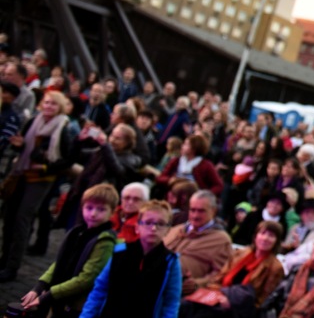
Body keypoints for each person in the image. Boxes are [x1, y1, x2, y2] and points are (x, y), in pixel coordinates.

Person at [0, 89, 74, 282]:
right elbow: (23, 145)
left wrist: (44, 165)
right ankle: (3, 258)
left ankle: (12, 266)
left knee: (22, 219)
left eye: (53, 104)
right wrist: (18, 145)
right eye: (47, 102)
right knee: (9, 217)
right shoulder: (33, 121)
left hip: (41, 179)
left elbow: (67, 161)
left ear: (60, 108)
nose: (49, 106)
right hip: (20, 173)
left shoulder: (62, 128)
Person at [19, 183, 119, 315]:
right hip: (60, 296)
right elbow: (60, 262)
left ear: (112, 212)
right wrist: (40, 286)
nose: (93, 214)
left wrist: (49, 294)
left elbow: (86, 279)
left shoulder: (105, 241)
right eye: (89, 208)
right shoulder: (78, 231)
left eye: (101, 209)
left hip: (76, 305)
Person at [80, 199, 182, 318]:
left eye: (160, 224)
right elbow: (100, 289)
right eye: (148, 222)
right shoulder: (120, 252)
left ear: (168, 230)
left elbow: (171, 302)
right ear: (138, 226)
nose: (153, 228)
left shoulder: (170, 260)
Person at [180, 220, 285, 317]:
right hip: (220, 294)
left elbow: (263, 301)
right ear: (256, 236)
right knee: (185, 305)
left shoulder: (275, 268)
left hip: (240, 308)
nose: (265, 238)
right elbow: (219, 277)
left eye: (271, 236)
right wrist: (215, 293)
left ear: (276, 241)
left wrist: (232, 302)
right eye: (263, 233)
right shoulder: (240, 254)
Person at [164, 190, 234, 295]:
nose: (195, 215)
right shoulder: (175, 230)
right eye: (192, 210)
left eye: (201, 211)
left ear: (213, 211)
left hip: (182, 294)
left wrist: (196, 285)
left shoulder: (221, 240)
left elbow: (221, 275)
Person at [156, 133, 224, 196]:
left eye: (186, 144)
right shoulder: (176, 161)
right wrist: (170, 180)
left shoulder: (206, 165)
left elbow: (218, 185)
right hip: (174, 195)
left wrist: (204, 195)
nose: (182, 146)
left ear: (194, 149)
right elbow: (160, 178)